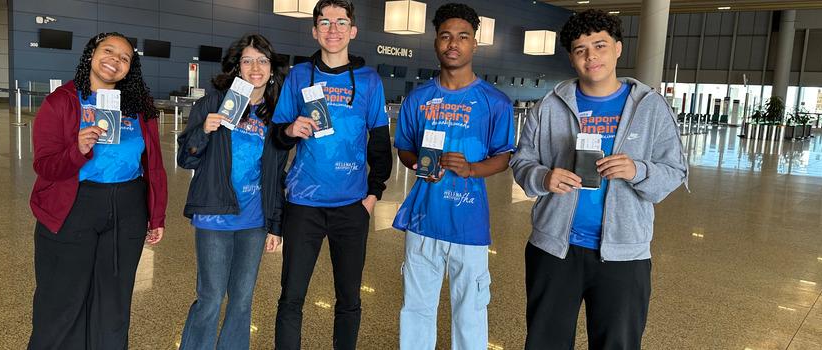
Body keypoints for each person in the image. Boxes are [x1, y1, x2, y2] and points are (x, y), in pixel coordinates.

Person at [509, 9, 688, 349]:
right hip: (554, 249)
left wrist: (638, 171)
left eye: (600, 45)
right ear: (572, 58)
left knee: (617, 343)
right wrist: (543, 177)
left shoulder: (650, 108)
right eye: (580, 49)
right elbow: (522, 162)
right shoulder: (550, 107)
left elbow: (675, 170)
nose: (591, 56)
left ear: (618, 49)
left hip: (624, 254)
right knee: (546, 341)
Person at [28, 32, 167, 349]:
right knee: (63, 300)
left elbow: (154, 164)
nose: (115, 60)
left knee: (114, 302)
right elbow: (45, 165)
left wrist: (156, 215)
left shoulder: (139, 109)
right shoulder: (62, 102)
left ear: (130, 68)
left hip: (128, 208)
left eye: (125, 58)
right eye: (109, 51)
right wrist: (76, 148)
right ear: (91, 55)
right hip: (74, 205)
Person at [270, 0, 393, 348]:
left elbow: (380, 142)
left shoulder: (369, 81)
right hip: (303, 205)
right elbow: (277, 135)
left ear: (352, 31)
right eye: (325, 22)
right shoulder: (298, 76)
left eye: (341, 22)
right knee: (291, 296)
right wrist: (290, 129)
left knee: (349, 299)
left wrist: (372, 196)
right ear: (314, 31)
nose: (333, 29)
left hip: (352, 207)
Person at [392, 4, 516, 349]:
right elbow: (404, 148)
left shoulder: (495, 102)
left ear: (474, 44)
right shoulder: (418, 99)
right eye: (445, 36)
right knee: (416, 308)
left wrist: (472, 169)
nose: (453, 43)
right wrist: (417, 164)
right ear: (435, 42)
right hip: (422, 219)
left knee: (471, 310)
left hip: (469, 222)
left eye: (463, 37)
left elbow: (504, 157)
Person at [175, 33, 288, 350]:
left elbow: (277, 173)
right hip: (214, 215)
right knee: (210, 298)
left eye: (262, 61)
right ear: (237, 66)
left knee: (242, 300)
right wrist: (204, 129)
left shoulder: (275, 114)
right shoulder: (213, 102)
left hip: (253, 220)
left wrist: (275, 225)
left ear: (271, 68)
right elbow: (186, 157)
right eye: (248, 60)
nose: (256, 67)